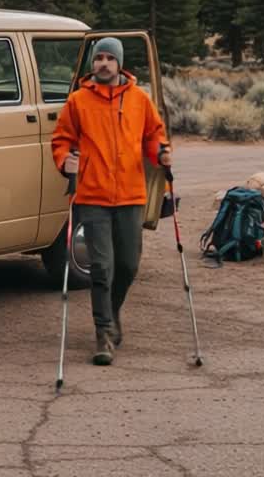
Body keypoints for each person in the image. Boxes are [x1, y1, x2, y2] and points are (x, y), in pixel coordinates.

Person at [51, 38, 171, 366]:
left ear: (119, 64)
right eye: (99, 58)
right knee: (101, 267)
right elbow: (61, 140)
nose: (103, 63)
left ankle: (112, 309)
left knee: (129, 264)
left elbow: (153, 135)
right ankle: (103, 332)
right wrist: (65, 162)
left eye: (109, 58)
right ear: (93, 63)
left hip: (130, 195)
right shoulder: (78, 101)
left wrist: (159, 152)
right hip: (92, 195)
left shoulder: (139, 99)